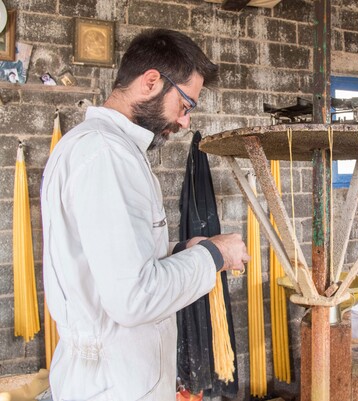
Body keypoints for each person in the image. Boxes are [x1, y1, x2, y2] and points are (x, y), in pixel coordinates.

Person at [41, 29, 250, 401]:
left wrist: (181, 250)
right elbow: (134, 297)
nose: (185, 122)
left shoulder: (108, 147)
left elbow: (109, 261)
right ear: (151, 81)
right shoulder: (106, 154)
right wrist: (215, 253)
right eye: (186, 105)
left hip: (121, 377)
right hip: (114, 386)